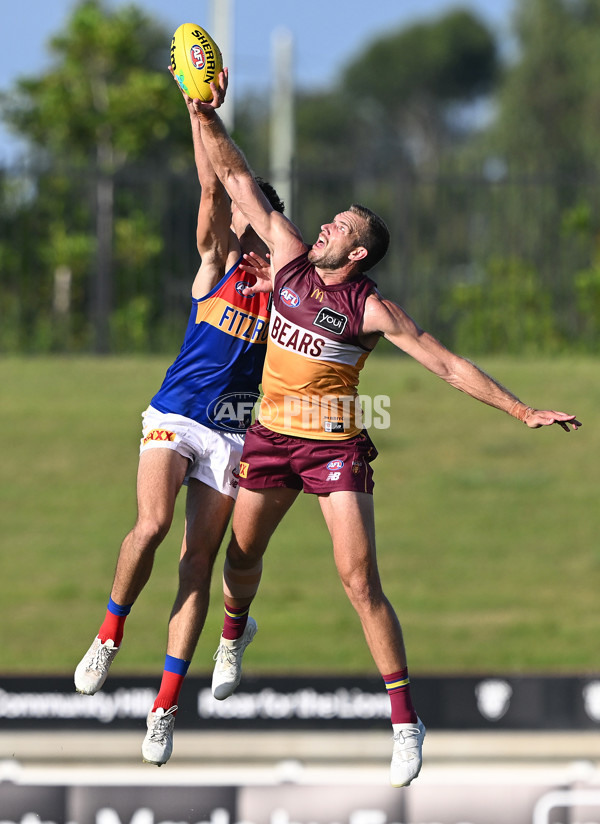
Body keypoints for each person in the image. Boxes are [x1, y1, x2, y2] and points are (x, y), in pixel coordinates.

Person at [191, 70, 581, 788]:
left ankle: (405, 720)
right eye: (332, 219)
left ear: (359, 253)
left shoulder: (373, 309)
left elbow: (448, 365)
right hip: (270, 438)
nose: (328, 225)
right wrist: (204, 115)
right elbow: (238, 180)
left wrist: (522, 409)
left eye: (342, 226)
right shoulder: (286, 257)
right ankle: (234, 631)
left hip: (334, 447)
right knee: (238, 562)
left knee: (359, 579)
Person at [73, 72, 284, 767]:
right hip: (176, 414)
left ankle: (162, 710)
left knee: (198, 564)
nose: (239, 226)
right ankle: (108, 636)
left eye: (252, 223)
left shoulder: (287, 293)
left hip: (231, 431)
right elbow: (213, 184)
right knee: (152, 526)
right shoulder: (217, 263)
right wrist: (196, 112)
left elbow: (239, 191)